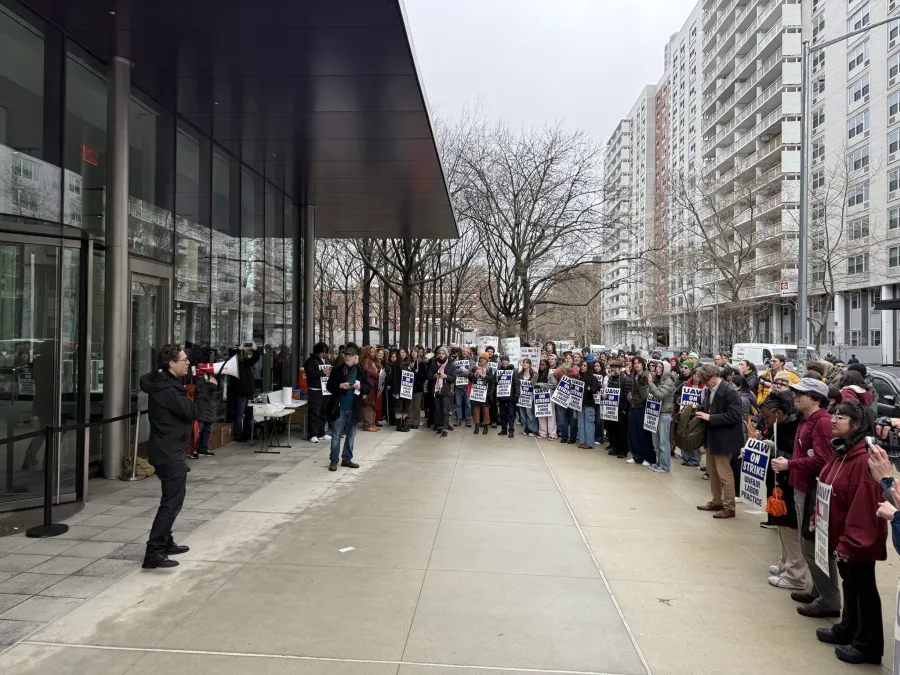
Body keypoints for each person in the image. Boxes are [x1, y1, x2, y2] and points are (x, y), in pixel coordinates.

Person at [814, 402, 885, 665]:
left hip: (857, 540)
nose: (833, 420)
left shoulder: (864, 459)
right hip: (842, 535)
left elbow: (864, 506)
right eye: (834, 415)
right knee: (850, 584)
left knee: (863, 588)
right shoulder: (842, 452)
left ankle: (867, 645)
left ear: (856, 424)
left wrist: (852, 540)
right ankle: (848, 627)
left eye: (841, 417)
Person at [139, 344, 219, 569]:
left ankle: (166, 542)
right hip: (168, 451)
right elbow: (193, 412)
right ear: (171, 363)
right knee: (172, 503)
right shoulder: (167, 390)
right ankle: (153, 552)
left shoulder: (165, 383)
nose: (188, 363)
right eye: (183, 360)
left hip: (168, 449)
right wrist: (206, 390)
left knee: (170, 499)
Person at [770, 377, 840, 619]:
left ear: (816, 399)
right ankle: (818, 590)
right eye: (795, 392)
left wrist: (790, 463)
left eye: (801, 393)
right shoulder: (806, 419)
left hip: (812, 490)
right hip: (801, 486)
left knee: (814, 546)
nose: (795, 396)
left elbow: (822, 459)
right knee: (807, 543)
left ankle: (829, 598)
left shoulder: (820, 422)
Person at [758, 391, 809, 590]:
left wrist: (776, 452)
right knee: (782, 524)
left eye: (768, 417)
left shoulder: (796, 427)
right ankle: (786, 563)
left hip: (790, 483)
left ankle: (795, 573)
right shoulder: (779, 426)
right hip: (779, 482)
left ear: (778, 413)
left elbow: (798, 456)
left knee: (790, 528)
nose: (765, 421)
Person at [695, 363, 743, 519]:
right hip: (712, 437)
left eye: (707, 380)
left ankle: (729, 506)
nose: (705, 383)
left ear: (715, 376)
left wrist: (710, 417)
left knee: (725, 474)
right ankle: (717, 501)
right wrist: (699, 408)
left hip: (724, 439)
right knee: (712, 472)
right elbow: (711, 408)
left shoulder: (730, 392)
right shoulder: (711, 390)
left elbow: (734, 415)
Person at [324, 346, 371, 471]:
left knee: (351, 435)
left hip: (354, 408)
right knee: (336, 435)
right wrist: (340, 385)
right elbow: (329, 386)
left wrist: (360, 387)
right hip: (339, 407)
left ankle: (347, 459)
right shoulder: (337, 369)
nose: (347, 357)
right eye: (346, 354)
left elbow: (368, 388)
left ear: (355, 358)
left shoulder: (361, 371)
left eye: (350, 355)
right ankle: (334, 460)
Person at [647, 359, 677, 473]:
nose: (657, 368)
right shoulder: (659, 380)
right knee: (656, 442)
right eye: (657, 366)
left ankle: (665, 466)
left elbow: (660, 395)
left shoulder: (669, 381)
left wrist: (651, 385)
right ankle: (659, 463)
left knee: (663, 442)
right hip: (656, 413)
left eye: (660, 367)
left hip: (664, 414)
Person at [626, 356, 654, 467]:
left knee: (644, 434)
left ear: (643, 364)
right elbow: (630, 391)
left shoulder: (647, 375)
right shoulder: (633, 375)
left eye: (638, 363)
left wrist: (637, 399)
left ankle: (647, 457)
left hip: (643, 407)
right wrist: (630, 398)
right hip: (633, 406)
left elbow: (647, 393)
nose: (636, 365)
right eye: (635, 363)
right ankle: (636, 456)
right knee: (633, 432)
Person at [230, 344, 260, 442]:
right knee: (239, 415)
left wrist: (255, 349)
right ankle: (238, 435)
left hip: (249, 393)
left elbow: (255, 358)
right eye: (241, 353)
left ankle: (246, 434)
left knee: (248, 415)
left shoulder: (246, 362)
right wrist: (238, 349)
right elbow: (231, 357)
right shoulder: (234, 364)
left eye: (243, 353)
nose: (242, 355)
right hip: (240, 393)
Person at [303, 342, 332, 444]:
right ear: (317, 352)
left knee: (323, 412)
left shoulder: (327, 360)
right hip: (315, 390)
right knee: (314, 412)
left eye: (325, 353)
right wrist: (322, 372)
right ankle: (313, 434)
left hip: (326, 389)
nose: (323, 355)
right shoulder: (311, 361)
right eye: (322, 353)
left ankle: (321, 432)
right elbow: (310, 374)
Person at [428, 347, 456, 437]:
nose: (441, 355)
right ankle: (439, 425)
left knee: (445, 410)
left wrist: (446, 376)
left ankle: (445, 427)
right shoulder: (434, 363)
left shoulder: (451, 365)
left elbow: (453, 378)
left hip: (446, 390)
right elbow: (428, 375)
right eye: (440, 353)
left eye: (443, 353)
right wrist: (434, 376)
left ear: (446, 355)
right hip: (436, 390)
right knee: (438, 409)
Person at [606, 360, 631, 459]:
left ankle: (623, 450)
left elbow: (627, 395)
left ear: (620, 369)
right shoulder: (610, 379)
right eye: (612, 367)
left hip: (621, 409)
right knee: (613, 429)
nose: (613, 369)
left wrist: (624, 409)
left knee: (622, 431)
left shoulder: (626, 379)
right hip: (612, 408)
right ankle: (615, 447)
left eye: (615, 367)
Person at [553, 353, 579, 444]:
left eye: (569, 358)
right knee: (563, 417)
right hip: (562, 395)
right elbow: (555, 375)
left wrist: (568, 368)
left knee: (572, 418)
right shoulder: (561, 367)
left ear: (572, 360)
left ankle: (572, 437)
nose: (567, 360)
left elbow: (576, 375)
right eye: (566, 358)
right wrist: (562, 368)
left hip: (572, 396)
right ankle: (564, 436)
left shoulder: (576, 368)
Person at [495, 354, 520, 438]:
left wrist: (516, 396)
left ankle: (511, 430)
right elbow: (495, 384)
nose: (504, 361)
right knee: (502, 414)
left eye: (505, 360)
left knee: (510, 414)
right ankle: (504, 429)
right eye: (502, 360)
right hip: (501, 396)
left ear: (508, 361)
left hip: (510, 397)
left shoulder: (514, 371)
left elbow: (517, 384)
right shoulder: (498, 371)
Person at [576, 361, 599, 449]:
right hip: (580, 403)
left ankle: (589, 443)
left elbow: (595, 390)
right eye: (581, 365)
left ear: (588, 367)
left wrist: (588, 388)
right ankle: (582, 442)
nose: (582, 367)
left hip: (589, 403)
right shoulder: (579, 377)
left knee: (589, 423)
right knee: (580, 423)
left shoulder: (592, 378)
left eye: (584, 366)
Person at [390, 348, 414, 432]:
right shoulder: (396, 365)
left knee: (405, 407)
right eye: (401, 352)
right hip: (398, 390)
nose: (403, 354)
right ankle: (399, 425)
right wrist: (395, 392)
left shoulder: (407, 364)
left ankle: (404, 423)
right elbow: (394, 379)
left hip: (407, 390)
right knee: (398, 407)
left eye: (404, 352)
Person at [535, 358, 557, 440]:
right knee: (541, 413)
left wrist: (541, 384)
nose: (541, 366)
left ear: (547, 365)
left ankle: (552, 433)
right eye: (540, 364)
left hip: (549, 395)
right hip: (539, 395)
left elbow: (553, 385)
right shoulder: (537, 374)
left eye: (543, 364)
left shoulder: (551, 373)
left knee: (551, 415)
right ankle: (542, 433)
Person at [359, 347, 381, 432]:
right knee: (368, 405)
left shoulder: (374, 361)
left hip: (375, 385)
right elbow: (366, 371)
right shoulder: (365, 361)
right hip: (369, 385)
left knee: (374, 405)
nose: (373, 353)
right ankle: (367, 425)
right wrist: (376, 374)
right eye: (371, 352)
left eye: (374, 352)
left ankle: (372, 423)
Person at [469, 356, 492, 435]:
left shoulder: (489, 369)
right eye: (481, 360)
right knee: (476, 410)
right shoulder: (474, 368)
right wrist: (475, 374)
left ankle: (486, 426)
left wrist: (482, 375)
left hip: (484, 393)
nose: (482, 361)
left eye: (484, 360)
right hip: (476, 391)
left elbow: (491, 379)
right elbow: (470, 377)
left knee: (485, 410)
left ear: (486, 361)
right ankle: (476, 426)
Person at [518, 358, 539, 437]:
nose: (524, 364)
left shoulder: (535, 374)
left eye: (526, 363)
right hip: (521, 397)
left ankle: (533, 430)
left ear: (530, 365)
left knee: (529, 413)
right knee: (522, 414)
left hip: (530, 397)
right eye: (523, 363)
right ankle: (526, 428)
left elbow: (535, 385)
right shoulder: (519, 373)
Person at [454, 347, 473, 427]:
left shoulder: (471, 362)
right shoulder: (456, 361)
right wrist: (463, 370)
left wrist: (460, 372)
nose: (465, 352)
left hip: (467, 386)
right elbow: (454, 371)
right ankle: (459, 419)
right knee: (458, 404)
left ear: (469, 353)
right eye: (463, 351)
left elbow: (471, 372)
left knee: (468, 404)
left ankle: (468, 420)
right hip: (458, 386)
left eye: (466, 351)